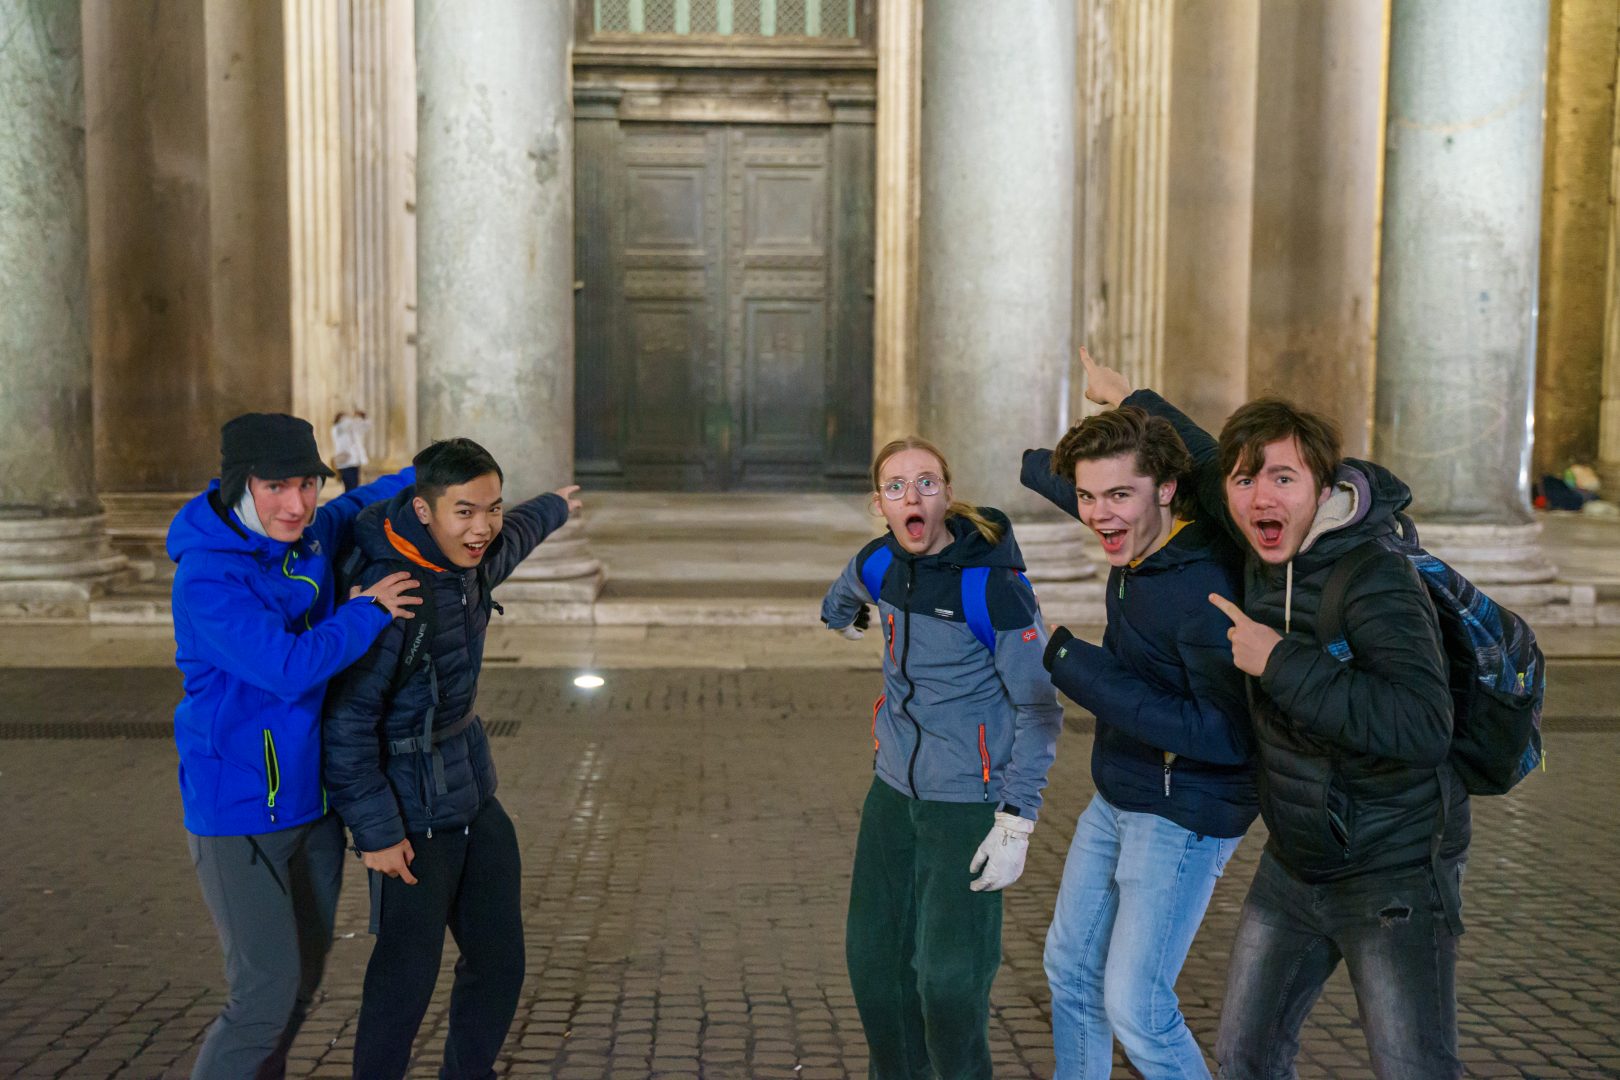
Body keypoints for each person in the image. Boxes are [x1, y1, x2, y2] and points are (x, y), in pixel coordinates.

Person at [1079, 349, 1465, 1079]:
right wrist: (1129, 397)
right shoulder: (1255, 536)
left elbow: (1422, 725)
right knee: (1245, 1058)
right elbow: (1202, 457)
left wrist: (1279, 661)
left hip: (1393, 872)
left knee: (1411, 1066)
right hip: (1293, 860)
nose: (1262, 495)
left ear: (1321, 485)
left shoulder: (1374, 576)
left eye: (1284, 478)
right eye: (1246, 480)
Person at [168, 412, 421, 1080]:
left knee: (300, 988)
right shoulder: (207, 577)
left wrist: (435, 470)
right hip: (239, 813)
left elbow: (364, 500)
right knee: (262, 997)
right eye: (276, 486)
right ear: (239, 485)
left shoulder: (310, 534)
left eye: (308, 484)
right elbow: (287, 667)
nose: (297, 504)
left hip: (313, 808)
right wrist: (367, 610)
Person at [322, 437, 582, 1080]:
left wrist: (554, 506)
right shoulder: (391, 595)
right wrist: (377, 833)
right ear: (423, 510)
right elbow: (346, 725)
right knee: (404, 980)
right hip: (411, 817)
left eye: (491, 507)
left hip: (472, 795)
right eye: (464, 511)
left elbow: (516, 535)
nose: (482, 527)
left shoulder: (472, 562)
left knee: (499, 961)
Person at [1021, 408, 1255, 1079]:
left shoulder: (1203, 589)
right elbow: (1088, 483)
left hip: (1184, 812)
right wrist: (1035, 463)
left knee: (1137, 1007)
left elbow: (1226, 734)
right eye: (1086, 496)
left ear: (1168, 489)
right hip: (1121, 790)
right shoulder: (1137, 534)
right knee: (1070, 970)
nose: (1100, 515)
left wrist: (1070, 662)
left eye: (1119, 494)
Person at [820, 436, 1064, 1080]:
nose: (913, 496)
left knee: (950, 987)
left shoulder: (993, 587)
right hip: (891, 795)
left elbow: (1040, 708)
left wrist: (1016, 820)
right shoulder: (880, 562)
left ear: (947, 495)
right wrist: (843, 616)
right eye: (896, 486)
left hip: (967, 805)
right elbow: (842, 592)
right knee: (874, 970)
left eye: (927, 483)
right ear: (879, 503)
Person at [332, 409, 372, 492]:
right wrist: (354, 417)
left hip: (354, 462)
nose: (347, 419)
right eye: (344, 418)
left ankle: (351, 500)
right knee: (350, 487)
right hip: (345, 464)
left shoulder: (352, 430)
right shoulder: (337, 429)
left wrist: (364, 416)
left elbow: (366, 426)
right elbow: (347, 424)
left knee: (354, 487)